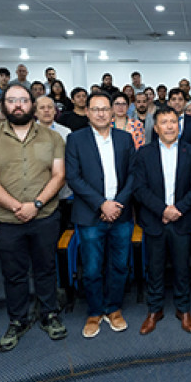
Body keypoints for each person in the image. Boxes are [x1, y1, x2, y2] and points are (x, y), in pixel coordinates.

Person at [0, 84, 67, 351]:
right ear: (2, 106)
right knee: (13, 273)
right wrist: (17, 206)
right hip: (5, 219)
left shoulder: (52, 138)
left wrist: (35, 205)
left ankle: (49, 314)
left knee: (46, 267)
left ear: (32, 105)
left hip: (44, 215)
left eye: (24, 100)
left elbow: (59, 175)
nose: (18, 105)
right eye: (12, 100)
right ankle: (18, 319)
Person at [65, 92, 136, 338]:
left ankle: (114, 308)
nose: (101, 113)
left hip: (121, 214)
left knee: (119, 265)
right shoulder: (75, 139)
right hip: (90, 215)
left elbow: (133, 176)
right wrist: (101, 204)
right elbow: (73, 177)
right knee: (93, 268)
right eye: (95, 109)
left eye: (105, 108)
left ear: (114, 111)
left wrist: (116, 204)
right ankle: (95, 312)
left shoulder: (125, 139)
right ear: (87, 112)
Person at [133, 106, 191, 335]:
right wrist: (163, 210)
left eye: (173, 121)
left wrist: (177, 210)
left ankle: (183, 310)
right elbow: (139, 189)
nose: (170, 126)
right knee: (154, 268)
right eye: (164, 122)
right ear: (156, 127)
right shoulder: (144, 153)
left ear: (179, 125)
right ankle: (155, 310)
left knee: (182, 267)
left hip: (181, 220)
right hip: (155, 220)